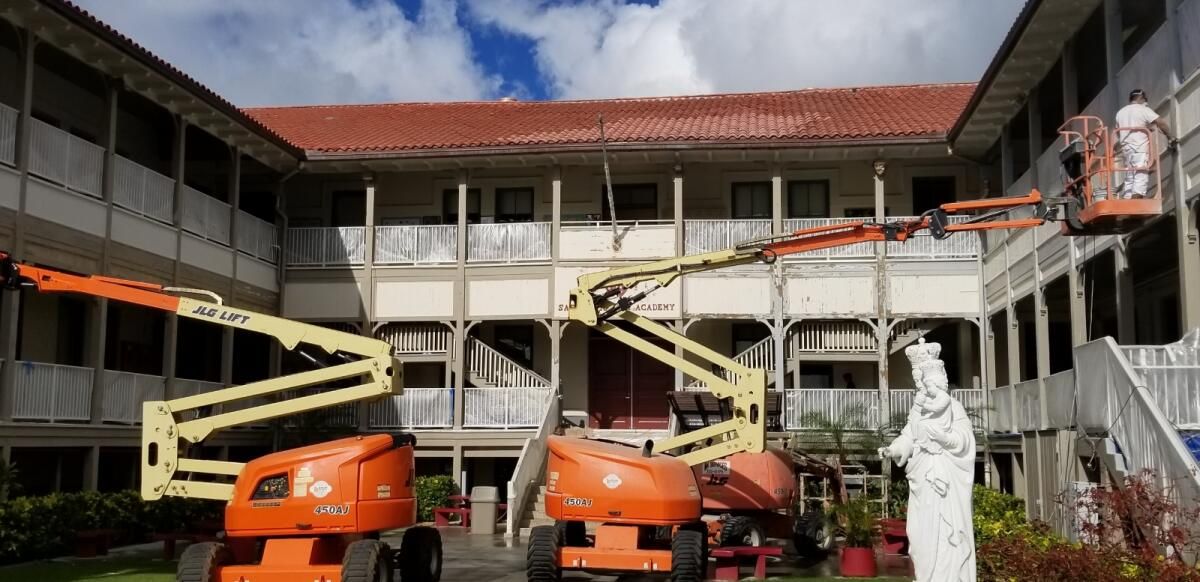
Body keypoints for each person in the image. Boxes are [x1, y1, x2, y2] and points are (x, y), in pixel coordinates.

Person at [1115, 89, 1177, 199]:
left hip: (1126, 149)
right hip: (1139, 147)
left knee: (1130, 176)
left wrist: (1145, 128)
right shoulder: (1142, 109)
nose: (1146, 102)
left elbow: (1120, 131)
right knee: (1140, 175)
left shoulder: (1120, 112)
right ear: (1141, 98)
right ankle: (1135, 204)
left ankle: (1128, 200)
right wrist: (1170, 136)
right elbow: (1160, 122)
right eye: (1145, 99)